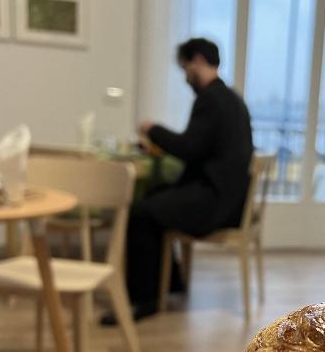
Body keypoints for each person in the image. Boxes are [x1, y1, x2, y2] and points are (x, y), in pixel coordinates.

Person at [101, 38, 253, 325]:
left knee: (141, 212)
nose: (185, 77)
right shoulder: (232, 99)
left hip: (215, 204)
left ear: (198, 60)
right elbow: (200, 148)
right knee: (155, 197)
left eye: (185, 69)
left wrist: (152, 129)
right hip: (231, 200)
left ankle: (143, 300)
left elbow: (188, 147)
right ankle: (171, 284)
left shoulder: (211, 99)